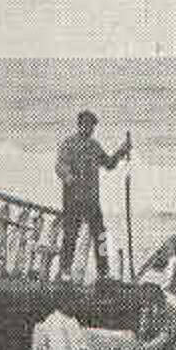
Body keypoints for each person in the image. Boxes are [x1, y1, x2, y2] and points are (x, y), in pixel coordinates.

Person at [55, 110, 130, 279]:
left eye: (92, 126)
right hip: (73, 199)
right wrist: (69, 177)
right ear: (80, 125)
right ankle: (65, 271)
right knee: (70, 236)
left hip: (91, 200)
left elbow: (109, 164)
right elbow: (59, 166)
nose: (90, 129)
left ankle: (103, 272)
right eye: (87, 125)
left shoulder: (94, 146)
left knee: (100, 236)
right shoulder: (69, 144)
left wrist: (121, 151)